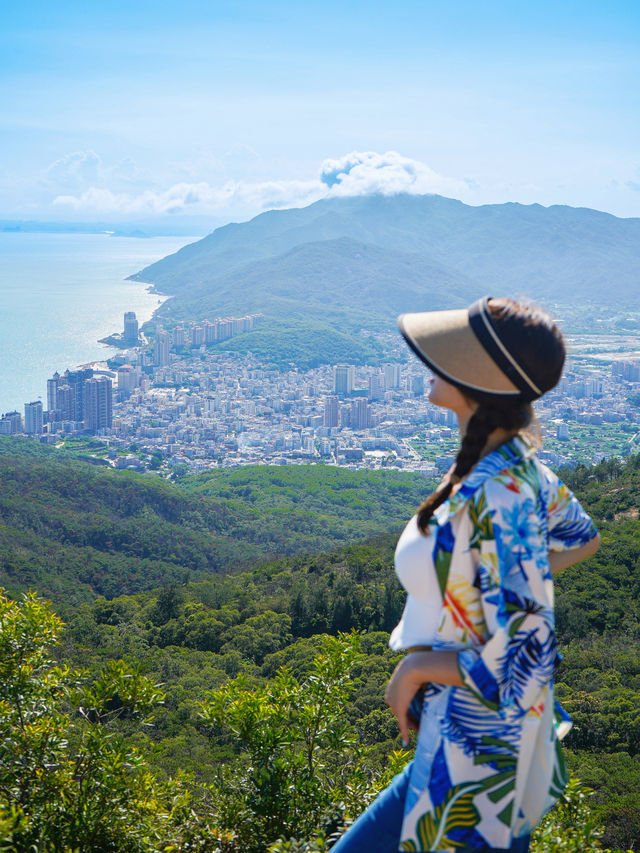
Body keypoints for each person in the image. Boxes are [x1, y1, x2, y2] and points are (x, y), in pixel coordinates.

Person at [332, 296, 600, 853]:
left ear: (483, 381)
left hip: (476, 759)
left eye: (450, 354)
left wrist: (417, 668)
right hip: (473, 742)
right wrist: (500, 579)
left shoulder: (497, 492)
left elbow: (525, 660)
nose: (433, 363)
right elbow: (582, 537)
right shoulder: (517, 465)